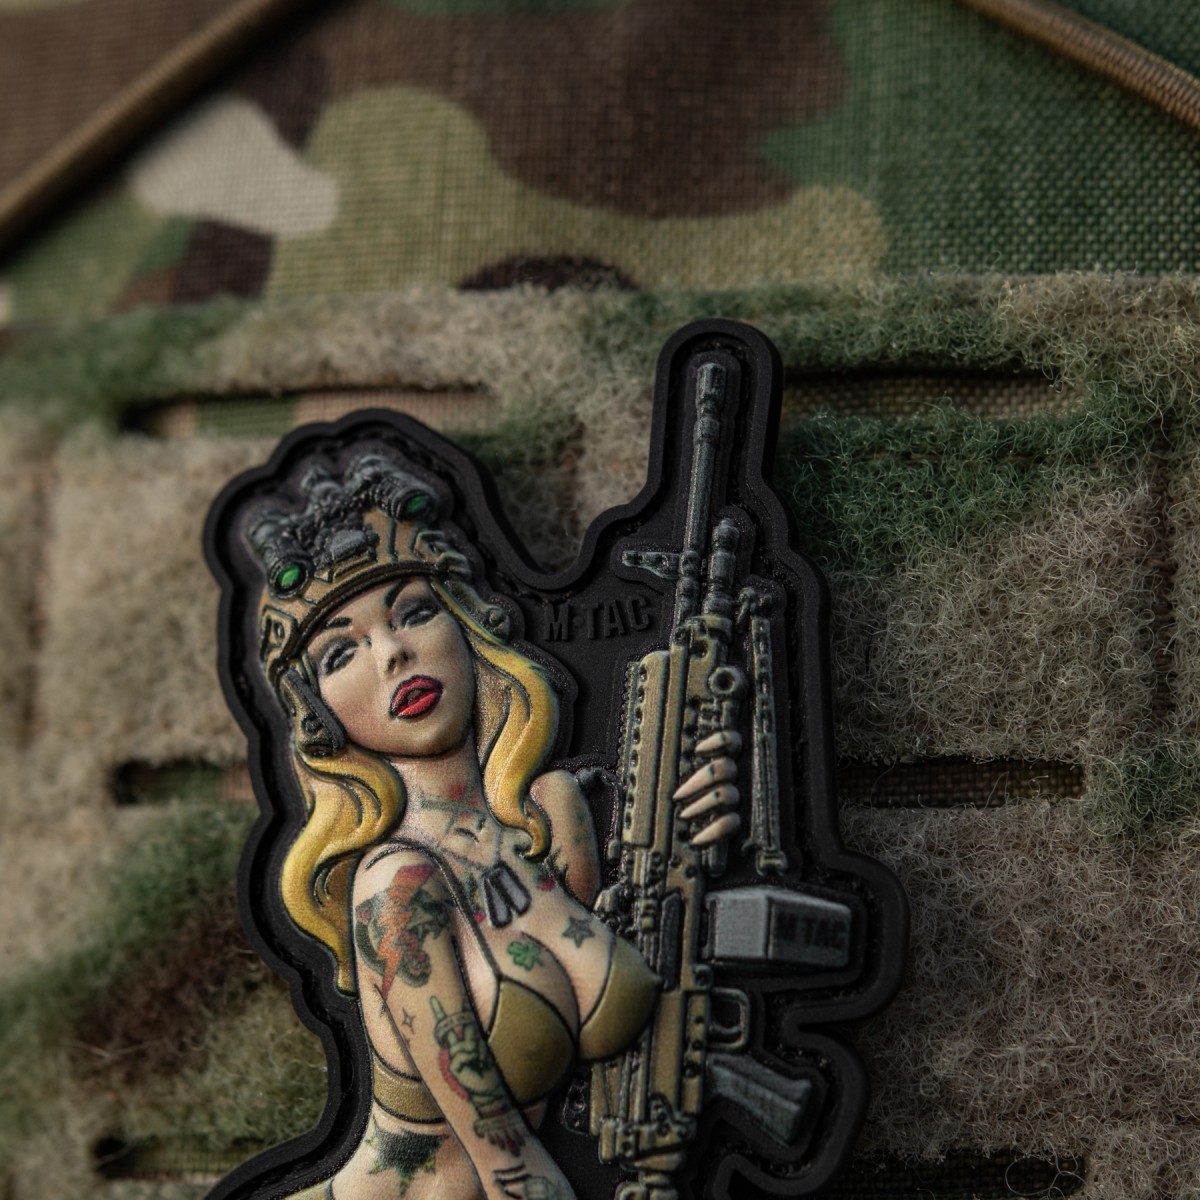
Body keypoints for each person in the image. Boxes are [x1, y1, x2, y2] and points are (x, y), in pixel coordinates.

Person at [242, 453, 740, 1200]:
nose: (393, 652)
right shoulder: (395, 887)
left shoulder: (549, 814)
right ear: (317, 714)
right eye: (342, 652)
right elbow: (508, 1167)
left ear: (466, 623)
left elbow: (655, 950)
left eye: (414, 612)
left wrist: (706, 826)